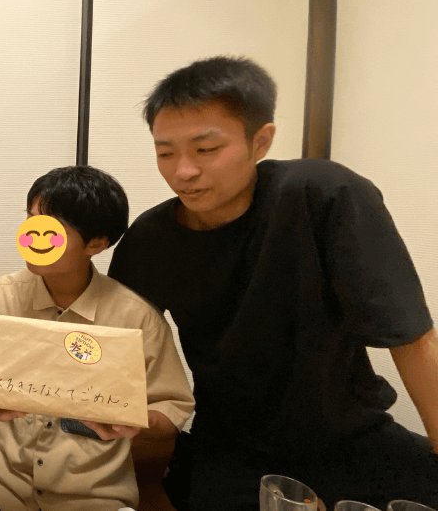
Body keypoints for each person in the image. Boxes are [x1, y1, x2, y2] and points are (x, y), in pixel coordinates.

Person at [107, 56, 438, 510]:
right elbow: (114, 346)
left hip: (353, 435)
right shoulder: (151, 239)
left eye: (206, 150)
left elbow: (410, 338)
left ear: (260, 141)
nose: (183, 171)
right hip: (229, 449)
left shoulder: (324, 195)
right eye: (165, 153)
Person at [0, 166, 195, 511]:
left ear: (96, 243)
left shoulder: (136, 318)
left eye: (51, 229)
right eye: (30, 221)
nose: (33, 237)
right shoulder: (1, 298)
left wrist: (131, 419)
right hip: (1, 488)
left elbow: (171, 408)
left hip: (94, 497)